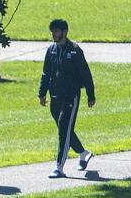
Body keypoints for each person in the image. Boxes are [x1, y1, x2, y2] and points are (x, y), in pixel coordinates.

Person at [38, 18, 95, 178]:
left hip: (71, 96)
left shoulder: (75, 50)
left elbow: (86, 73)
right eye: (52, 32)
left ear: (64, 32)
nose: (54, 34)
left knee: (63, 131)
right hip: (55, 97)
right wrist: (41, 93)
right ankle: (83, 153)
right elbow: (45, 73)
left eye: (56, 31)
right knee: (65, 129)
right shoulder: (51, 50)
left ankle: (59, 167)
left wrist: (91, 94)